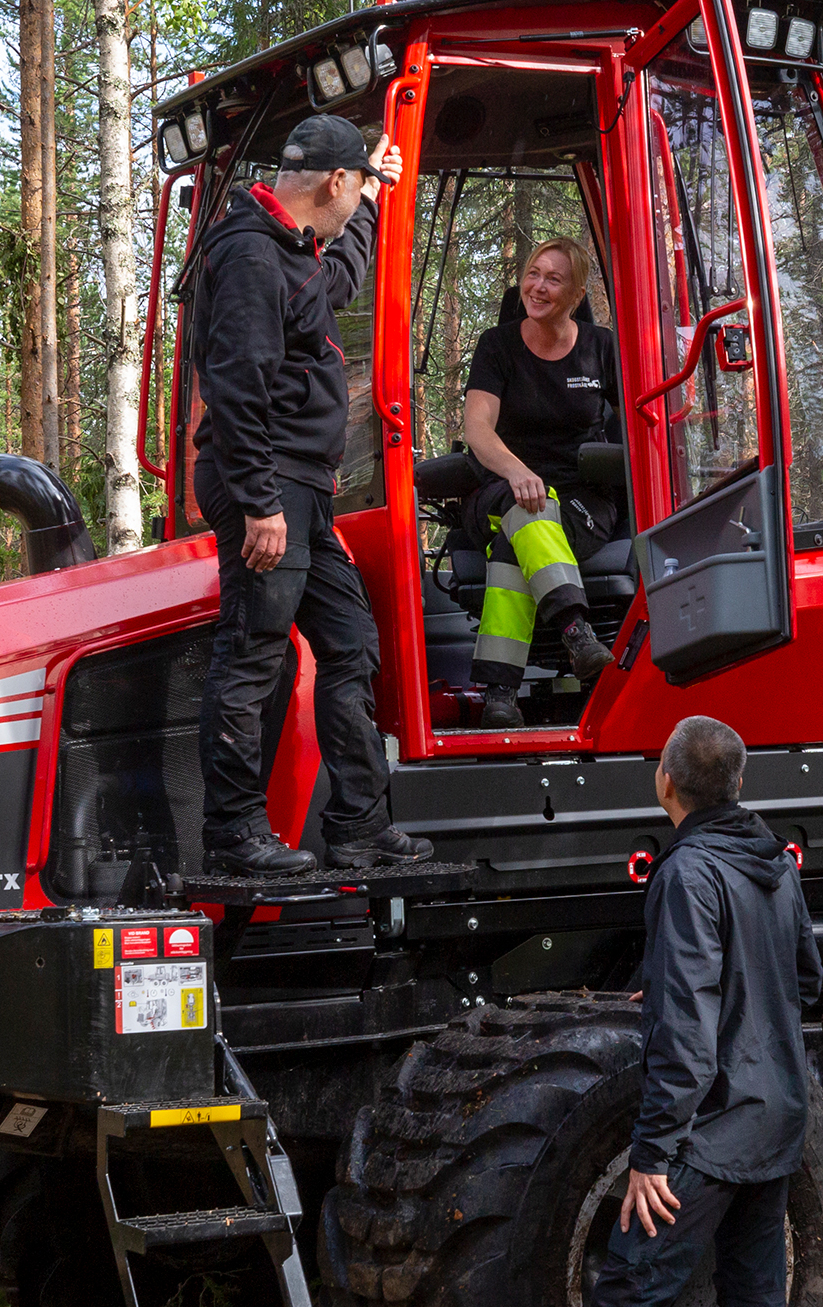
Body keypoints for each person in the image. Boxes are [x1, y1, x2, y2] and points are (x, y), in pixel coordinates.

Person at [188, 114, 433, 877]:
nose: (354, 198)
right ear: (333, 182)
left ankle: (358, 824)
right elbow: (237, 385)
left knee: (351, 645)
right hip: (268, 485)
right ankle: (233, 833)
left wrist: (379, 189)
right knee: (254, 653)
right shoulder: (252, 257)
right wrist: (260, 501)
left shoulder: (288, 249)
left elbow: (340, 281)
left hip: (299, 489)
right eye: (354, 187)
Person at [590, 715, 820, 1307]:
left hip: (714, 1132)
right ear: (739, 784)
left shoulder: (687, 872)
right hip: (778, 1121)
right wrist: (663, 989)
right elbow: (803, 979)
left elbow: (690, 1036)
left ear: (665, 781)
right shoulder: (775, 865)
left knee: (628, 1291)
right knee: (754, 1305)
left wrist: (651, 1154)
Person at [459, 238, 622, 728]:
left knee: (522, 531)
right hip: (501, 487)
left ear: (576, 294)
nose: (538, 286)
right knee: (522, 504)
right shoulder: (497, 345)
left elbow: (646, 423)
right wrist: (515, 469)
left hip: (581, 501)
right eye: (533, 273)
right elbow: (478, 430)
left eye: (554, 279)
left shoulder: (602, 347)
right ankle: (576, 628)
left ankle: (501, 693)